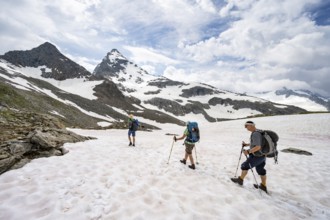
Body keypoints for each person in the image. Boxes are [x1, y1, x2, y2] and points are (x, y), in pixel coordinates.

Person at [231, 121, 268, 193]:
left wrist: (248, 151)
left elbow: (258, 146)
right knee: (260, 170)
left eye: (246, 126)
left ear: (251, 125)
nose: (245, 127)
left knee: (245, 166)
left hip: (257, 155)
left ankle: (240, 180)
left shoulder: (255, 134)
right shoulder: (259, 132)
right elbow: (257, 143)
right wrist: (247, 144)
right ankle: (263, 186)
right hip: (262, 155)